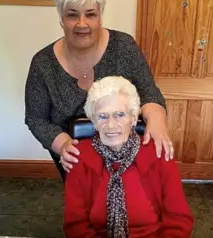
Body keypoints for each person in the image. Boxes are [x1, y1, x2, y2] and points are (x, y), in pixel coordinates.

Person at [24, 0, 174, 182]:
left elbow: (149, 93)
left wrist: (158, 123)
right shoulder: (42, 64)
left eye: (90, 14)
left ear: (100, 15)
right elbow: (36, 118)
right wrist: (62, 144)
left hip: (125, 152)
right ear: (61, 19)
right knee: (85, 207)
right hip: (74, 155)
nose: (82, 24)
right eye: (72, 15)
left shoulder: (124, 47)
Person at [63, 76, 194, 238]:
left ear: (133, 118)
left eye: (120, 115)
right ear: (94, 121)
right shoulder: (78, 157)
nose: (111, 125)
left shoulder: (158, 152)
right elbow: (75, 225)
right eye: (103, 116)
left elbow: (178, 220)